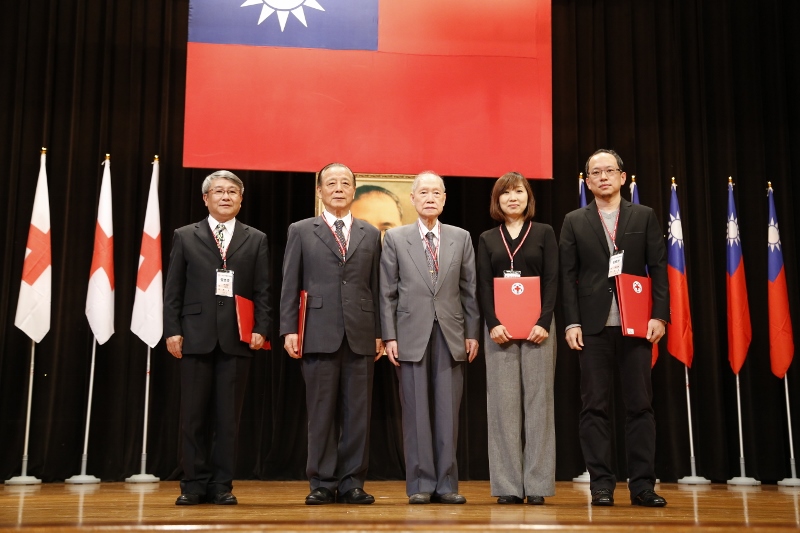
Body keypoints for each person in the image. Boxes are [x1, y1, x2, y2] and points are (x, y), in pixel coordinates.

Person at [559, 149, 669, 507]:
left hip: (636, 324)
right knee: (595, 407)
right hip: (592, 328)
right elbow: (568, 277)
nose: (603, 177)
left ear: (623, 177)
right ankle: (601, 485)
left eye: (609, 171)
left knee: (640, 405)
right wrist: (572, 321)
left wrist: (660, 315)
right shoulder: (574, 220)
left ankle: (642, 486)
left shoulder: (645, 215)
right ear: (588, 181)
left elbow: (660, 268)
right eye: (596, 172)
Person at [164, 170, 270, 506]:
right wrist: (173, 330)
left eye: (232, 192)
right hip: (194, 336)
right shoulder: (185, 235)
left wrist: (262, 328)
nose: (225, 197)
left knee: (228, 419)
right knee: (193, 417)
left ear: (242, 199)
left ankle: (222, 484)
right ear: (205, 198)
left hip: (237, 337)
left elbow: (263, 290)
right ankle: (193, 484)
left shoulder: (256, 238)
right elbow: (173, 290)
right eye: (218, 191)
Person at [280, 162, 383, 505]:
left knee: (358, 413)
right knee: (321, 412)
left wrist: (381, 332)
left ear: (354, 190)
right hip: (317, 331)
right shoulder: (301, 230)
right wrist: (289, 329)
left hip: (361, 333)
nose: (338, 188)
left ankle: (353, 481)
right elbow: (289, 283)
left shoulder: (369, 232)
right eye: (331, 183)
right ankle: (322, 482)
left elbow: (377, 287)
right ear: (320, 191)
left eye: (345, 183)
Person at [380, 171, 480, 505]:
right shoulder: (396, 238)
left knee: (447, 412)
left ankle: (447, 483)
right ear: (412, 198)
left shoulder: (461, 237)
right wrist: (389, 336)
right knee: (416, 412)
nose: (430, 197)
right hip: (410, 334)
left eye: (436, 192)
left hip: (451, 334)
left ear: (444, 198)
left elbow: (470, 290)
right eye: (423, 192)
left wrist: (472, 333)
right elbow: (387, 293)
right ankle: (420, 483)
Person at [476, 172, 558, 505]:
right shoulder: (487, 238)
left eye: (519, 191)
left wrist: (544, 321)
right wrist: (492, 323)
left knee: (540, 406)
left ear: (528, 197)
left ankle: (537, 484)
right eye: (506, 192)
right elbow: (482, 286)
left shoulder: (544, 233)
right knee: (503, 408)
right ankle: (509, 486)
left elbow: (553, 281)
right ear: (497, 200)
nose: (513, 197)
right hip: (500, 332)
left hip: (539, 329)